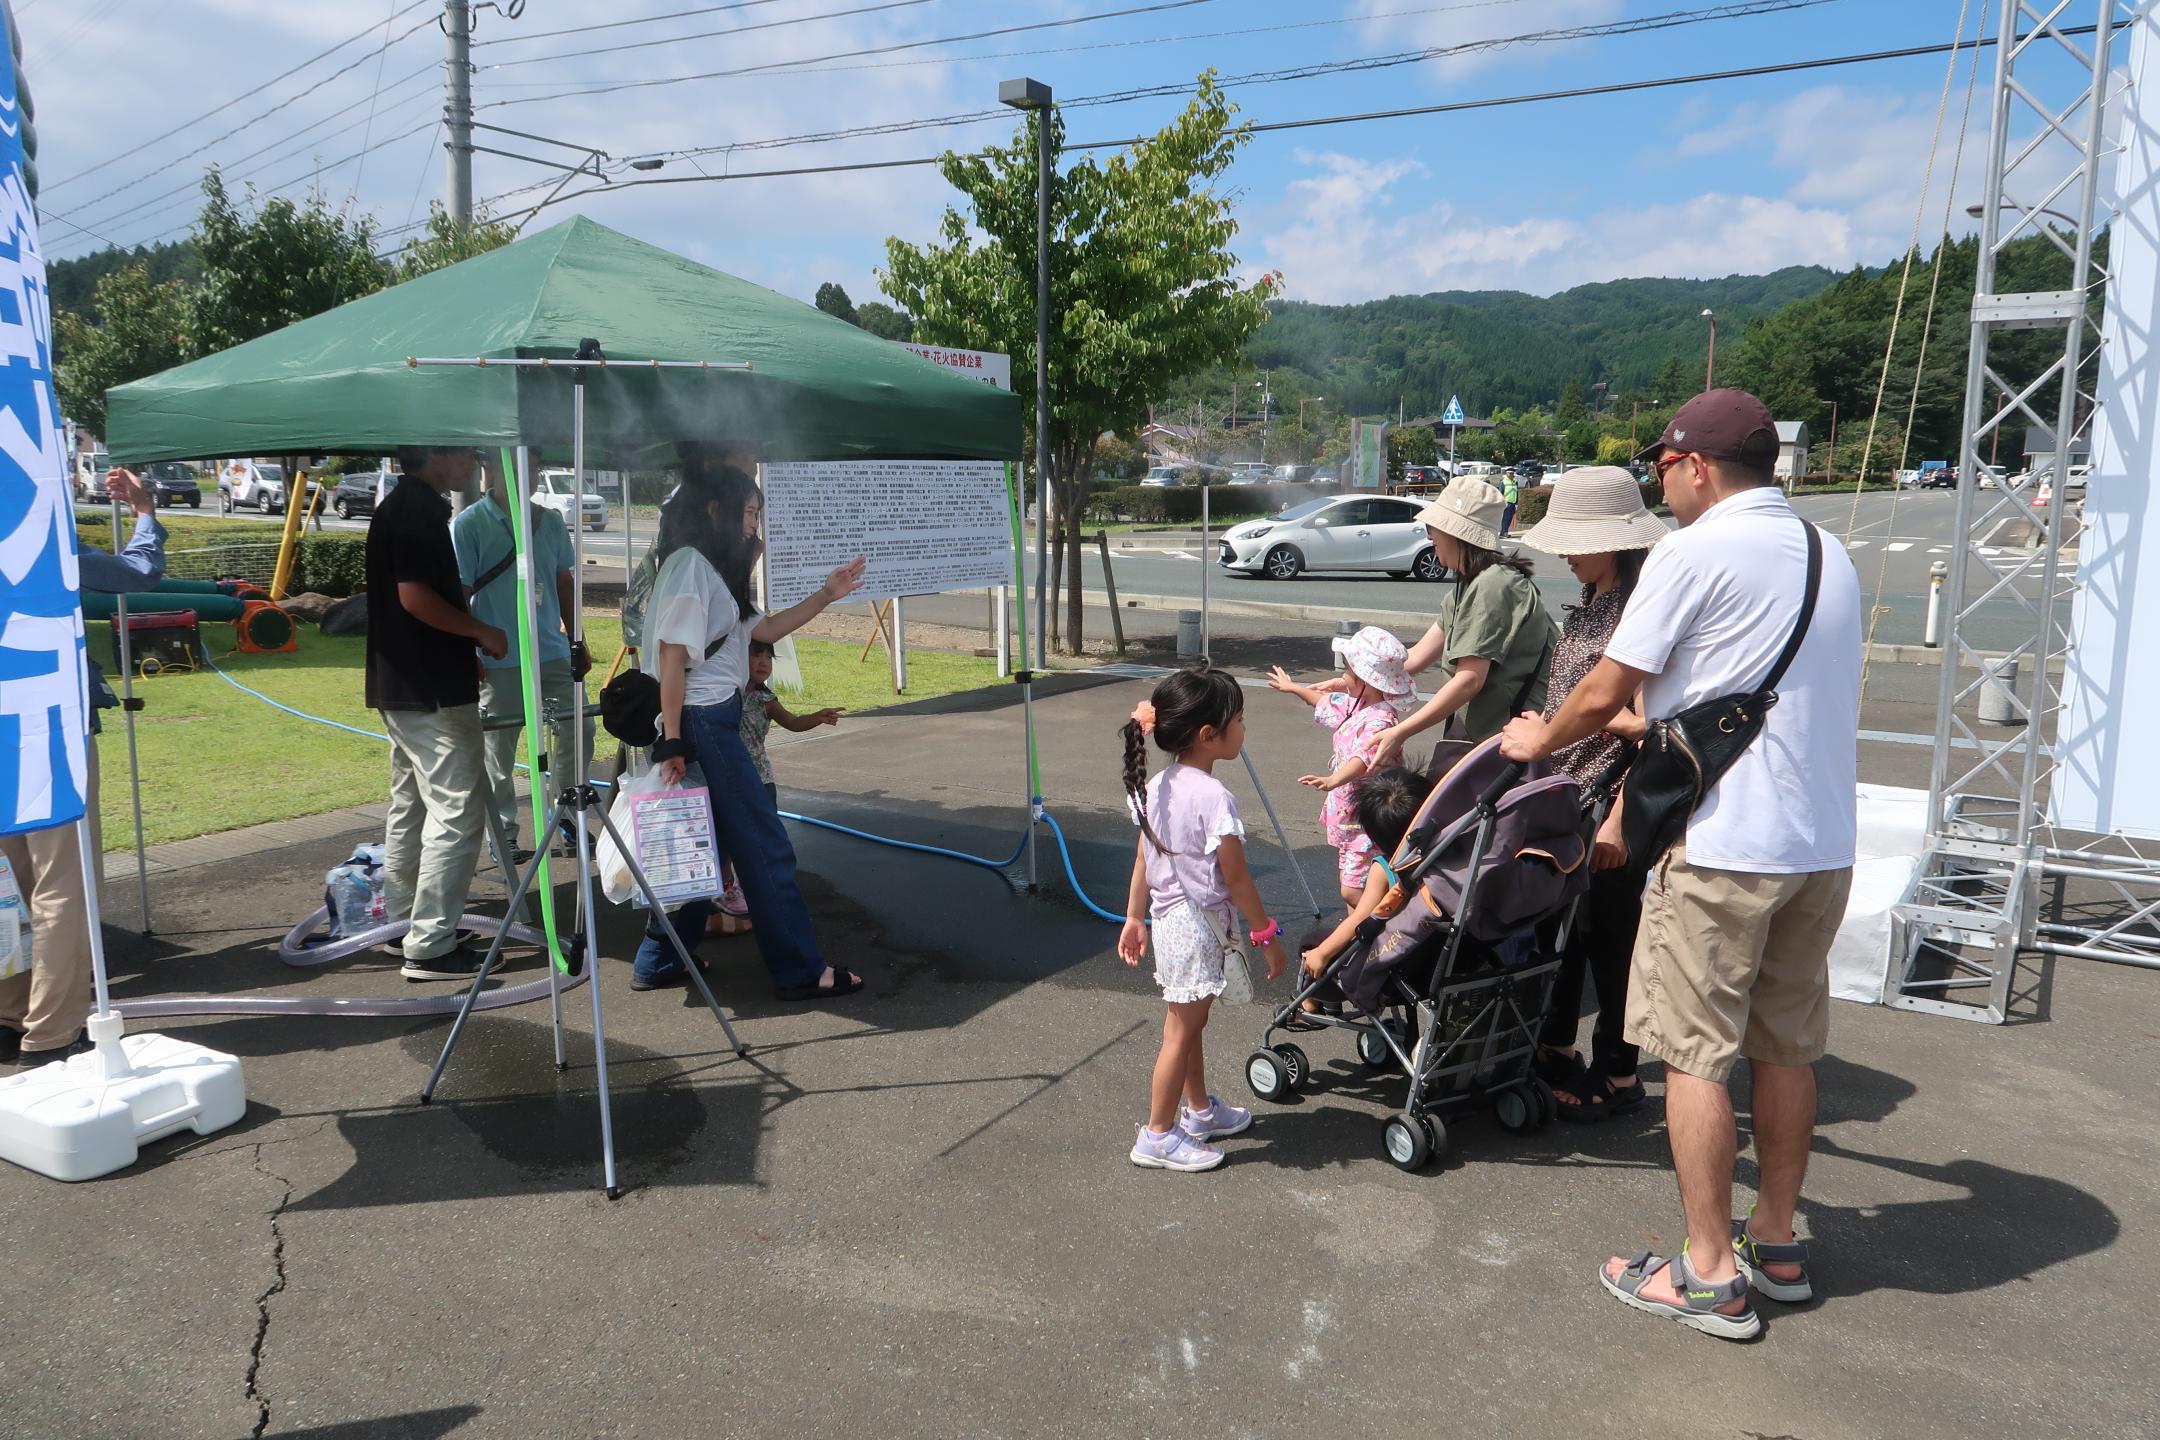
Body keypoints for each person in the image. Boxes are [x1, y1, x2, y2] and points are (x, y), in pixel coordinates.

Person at [1499, 389, 1861, 1342]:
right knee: (1786, 1048)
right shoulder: (1833, 555)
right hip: (1821, 845)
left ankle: (1707, 1276)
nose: (1661, 482)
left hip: (1724, 847)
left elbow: (1604, 690)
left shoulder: (1693, 552)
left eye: (1662, 465)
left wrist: (1538, 741)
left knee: (1693, 1056)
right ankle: (1775, 1246)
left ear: (1697, 466)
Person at [633, 458, 867, 1000]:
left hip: (705, 719)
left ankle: (660, 958)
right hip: (704, 721)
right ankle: (800, 970)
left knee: (704, 847)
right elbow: (672, 660)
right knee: (765, 845)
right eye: (748, 513)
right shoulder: (692, 565)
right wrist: (672, 740)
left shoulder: (707, 566)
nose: (753, 526)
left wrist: (827, 593)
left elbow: (764, 629)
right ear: (714, 509)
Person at [1513, 466, 1670, 1123]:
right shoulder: (1596, 599)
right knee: (1566, 929)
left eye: (1579, 540)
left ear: (1616, 539)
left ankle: (1620, 1071)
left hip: (1609, 798)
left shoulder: (1639, 607)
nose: (1567, 552)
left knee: (1610, 938)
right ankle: (1554, 1046)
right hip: (1567, 791)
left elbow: (1647, 724)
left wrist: (1552, 733)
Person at [2, 466, 165, 1069]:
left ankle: (13, 1006)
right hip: (48, 723)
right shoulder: (37, 536)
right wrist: (147, 514)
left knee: (10, 883)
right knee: (61, 880)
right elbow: (138, 573)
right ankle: (51, 1029)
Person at [1117, 666, 1288, 1172]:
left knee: (1190, 1026)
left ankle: (1196, 1112)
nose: (1244, 728)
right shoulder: (1214, 798)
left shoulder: (1156, 785)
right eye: (1238, 719)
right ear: (1208, 736)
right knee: (1180, 1031)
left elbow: (1143, 860)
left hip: (1171, 923)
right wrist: (1266, 935)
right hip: (1195, 928)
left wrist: (1133, 917)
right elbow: (1237, 879)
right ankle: (1158, 1135)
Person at [369, 446, 509, 982]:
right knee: (456, 812)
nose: (474, 465)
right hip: (430, 691)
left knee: (410, 805)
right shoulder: (417, 510)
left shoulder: (403, 504)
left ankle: (404, 921)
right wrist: (479, 632)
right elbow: (414, 597)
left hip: (405, 683)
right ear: (436, 456)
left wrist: (463, 650)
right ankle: (429, 944)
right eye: (466, 455)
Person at [450, 453, 592, 865]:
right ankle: (504, 834)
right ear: (490, 471)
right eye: (512, 466)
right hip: (498, 660)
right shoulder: (469, 525)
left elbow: (563, 583)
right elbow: (458, 595)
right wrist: (467, 652)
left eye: (530, 467)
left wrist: (575, 639)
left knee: (577, 729)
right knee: (499, 751)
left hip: (550, 651)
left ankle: (565, 820)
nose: (523, 475)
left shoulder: (549, 521)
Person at [1369, 478, 1557, 764]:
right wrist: (1355, 678)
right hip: (1485, 732)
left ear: (1459, 534)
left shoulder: (1493, 585)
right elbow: (1415, 658)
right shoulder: (1467, 584)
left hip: (1508, 739)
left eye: (1435, 528)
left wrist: (1402, 731)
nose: (1429, 534)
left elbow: (1469, 680)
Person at [1266, 625, 1415, 906]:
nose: (1343, 676)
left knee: (1354, 889)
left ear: (1366, 680)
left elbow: (1364, 757)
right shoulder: (1355, 706)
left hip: (1366, 815)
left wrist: (1334, 779)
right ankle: (1356, 940)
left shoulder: (1380, 719)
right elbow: (1324, 702)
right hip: (1349, 815)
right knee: (1351, 882)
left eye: (1348, 671)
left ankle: (1384, 923)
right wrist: (1295, 688)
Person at [705, 639, 844, 937]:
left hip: (761, 778)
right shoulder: (723, 694)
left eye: (769, 657)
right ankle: (725, 888)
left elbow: (792, 722)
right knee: (726, 836)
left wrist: (817, 717)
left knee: (761, 838)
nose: (763, 662)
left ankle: (750, 888)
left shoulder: (765, 698)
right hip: (727, 778)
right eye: (756, 655)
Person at [1294, 763, 1432, 978]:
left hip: (1394, 958)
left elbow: (1361, 918)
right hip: (1432, 952)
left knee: (1311, 943)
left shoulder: (1384, 868)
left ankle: (1310, 1004)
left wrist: (1321, 953)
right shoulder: (1444, 857)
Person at [1500, 467, 1521, 538]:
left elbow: (1516, 492)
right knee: (1506, 518)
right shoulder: (1504, 482)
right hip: (1507, 502)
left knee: (1509, 519)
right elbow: (1500, 493)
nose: (1511, 475)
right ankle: (1503, 532)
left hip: (1513, 503)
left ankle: (1505, 532)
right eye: (1510, 473)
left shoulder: (1515, 482)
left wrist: (1517, 502)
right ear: (1506, 474)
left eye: (1512, 473)